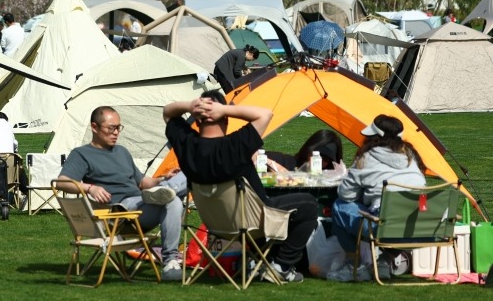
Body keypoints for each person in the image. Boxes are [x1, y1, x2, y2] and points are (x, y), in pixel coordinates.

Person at [164, 91, 318, 283]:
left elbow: (168, 113)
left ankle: (265, 261)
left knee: (272, 203)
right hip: (253, 221)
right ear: (225, 118)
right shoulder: (236, 144)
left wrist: (190, 106)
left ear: (197, 119)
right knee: (309, 204)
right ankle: (282, 265)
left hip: (215, 226)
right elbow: (265, 114)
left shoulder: (187, 145)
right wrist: (223, 109)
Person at [56, 106, 187, 281]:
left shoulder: (122, 152)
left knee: (189, 176)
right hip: (119, 214)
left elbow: (141, 182)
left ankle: (168, 190)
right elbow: (61, 182)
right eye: (111, 128)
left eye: (119, 128)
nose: (116, 132)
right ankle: (170, 259)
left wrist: (161, 179)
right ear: (94, 127)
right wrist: (90, 188)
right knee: (173, 199)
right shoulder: (82, 154)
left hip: (140, 206)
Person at [328, 114, 426, 281]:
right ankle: (384, 261)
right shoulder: (411, 156)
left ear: (374, 137)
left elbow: (346, 194)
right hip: (424, 228)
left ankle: (355, 264)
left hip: (386, 228)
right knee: (388, 217)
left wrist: (364, 195)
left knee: (339, 205)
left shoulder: (367, 158)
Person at [266, 129, 345, 173]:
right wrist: (271, 164)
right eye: (316, 155)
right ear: (308, 150)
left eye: (325, 159)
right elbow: (257, 155)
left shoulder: (330, 178)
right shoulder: (290, 162)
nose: (318, 161)